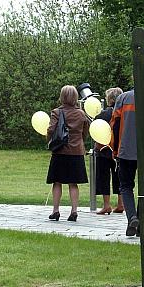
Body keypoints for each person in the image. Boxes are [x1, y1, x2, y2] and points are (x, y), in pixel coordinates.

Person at [110, 84, 144, 237]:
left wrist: (114, 150)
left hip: (126, 150)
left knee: (126, 186)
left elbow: (114, 126)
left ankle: (132, 218)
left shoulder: (123, 98)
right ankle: (140, 223)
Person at [46, 85, 90, 222]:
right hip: (76, 152)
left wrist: (49, 141)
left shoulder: (56, 113)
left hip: (60, 151)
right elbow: (85, 132)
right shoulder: (82, 114)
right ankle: (74, 211)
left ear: (62, 97)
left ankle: (56, 210)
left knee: (57, 182)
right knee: (73, 183)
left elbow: (51, 130)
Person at [93, 87, 124, 215]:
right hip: (120, 150)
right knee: (119, 176)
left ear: (109, 99)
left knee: (104, 177)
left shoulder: (101, 115)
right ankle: (121, 204)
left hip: (104, 150)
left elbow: (95, 132)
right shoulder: (123, 114)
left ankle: (106, 205)